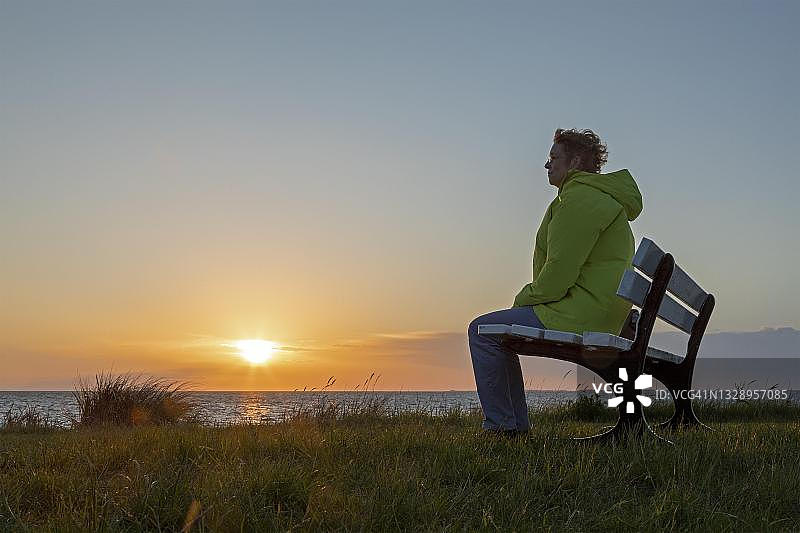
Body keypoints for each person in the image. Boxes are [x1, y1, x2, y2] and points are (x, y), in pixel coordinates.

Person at [468, 128, 643, 436]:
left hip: (579, 311)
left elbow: (558, 277)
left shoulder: (578, 200)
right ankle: (511, 427)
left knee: (482, 331)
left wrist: (523, 298)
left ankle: (503, 429)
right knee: (497, 332)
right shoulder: (601, 199)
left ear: (574, 161)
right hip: (600, 310)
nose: (547, 165)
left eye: (553, 157)